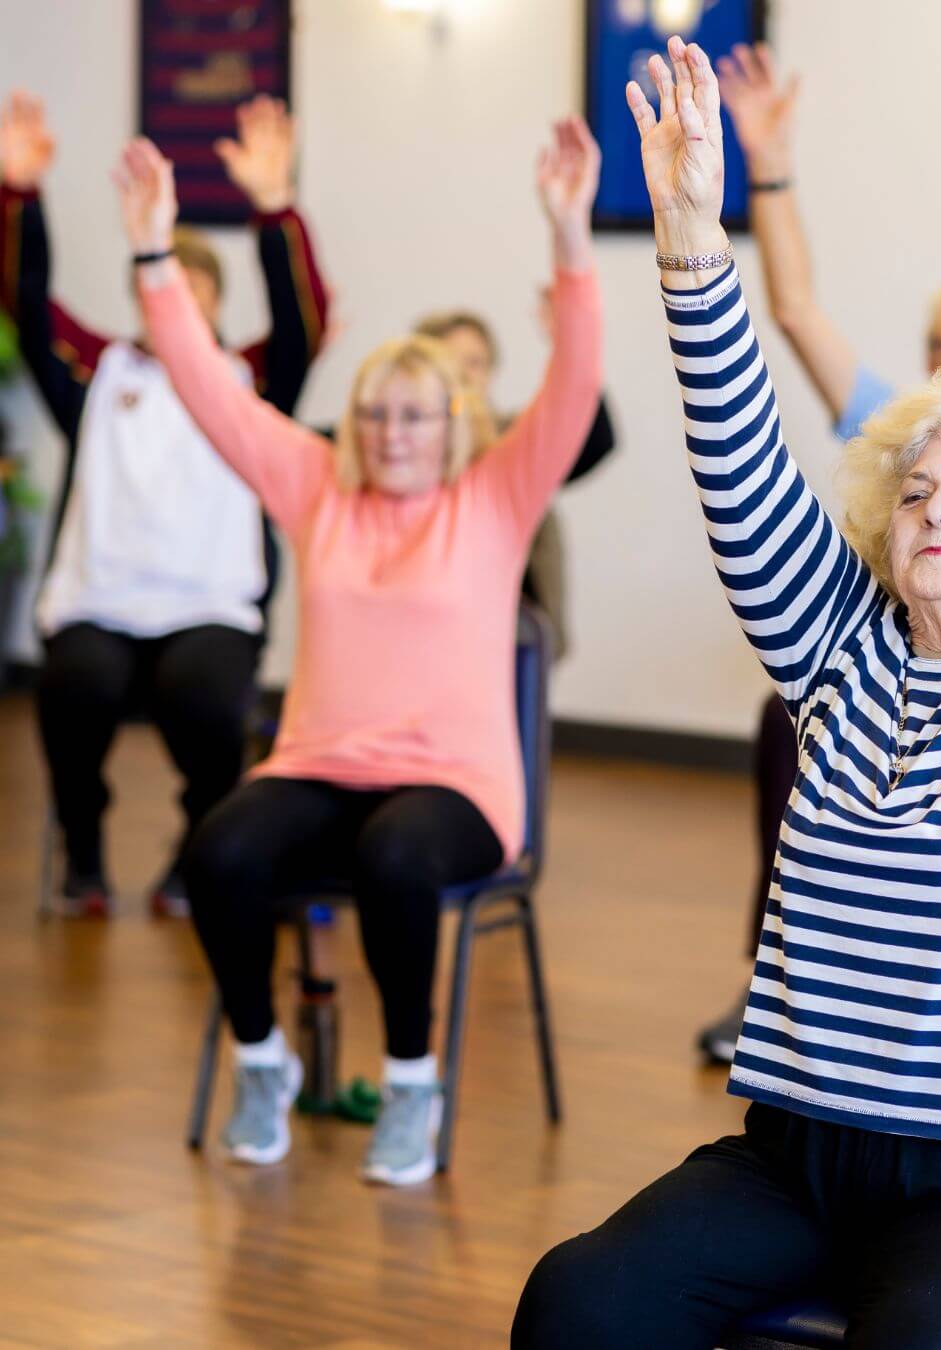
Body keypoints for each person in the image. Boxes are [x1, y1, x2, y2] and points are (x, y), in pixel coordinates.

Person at [515, 14, 941, 1347]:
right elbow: (733, 444)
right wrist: (688, 237)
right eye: (917, 489)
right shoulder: (837, 653)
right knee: (577, 1301)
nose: (937, 507)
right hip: (798, 1159)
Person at [112, 116, 602, 1186]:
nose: (389, 433)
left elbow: (574, 388)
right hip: (323, 766)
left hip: (456, 787)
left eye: (414, 416)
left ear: (455, 425)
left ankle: (413, 1085)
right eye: (373, 414)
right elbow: (207, 389)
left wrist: (570, 234)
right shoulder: (316, 486)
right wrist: (155, 256)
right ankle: (261, 1059)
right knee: (220, 852)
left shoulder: (495, 498)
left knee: (397, 858)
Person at [696, 42, 941, 1062]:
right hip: (871, 696)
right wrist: (766, 164)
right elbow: (791, 308)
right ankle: (778, 984)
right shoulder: (895, 426)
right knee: (787, 723)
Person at [0, 91, 328, 917]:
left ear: (212, 310)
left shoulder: (249, 383)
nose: (174, 308)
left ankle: (195, 851)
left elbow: (301, 326)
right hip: (100, 603)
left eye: (193, 295)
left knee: (210, 705)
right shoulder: (96, 373)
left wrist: (274, 207)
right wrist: (17, 192)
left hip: (208, 607)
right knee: (70, 691)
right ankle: (84, 854)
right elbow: (26, 303)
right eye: (160, 291)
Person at [413, 295, 618, 660]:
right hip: (425, 628)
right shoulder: (398, 449)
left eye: (475, 362)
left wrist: (571, 345)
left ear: (491, 371)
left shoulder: (517, 439)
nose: (463, 374)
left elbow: (596, 439)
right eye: (450, 362)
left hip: (515, 634)